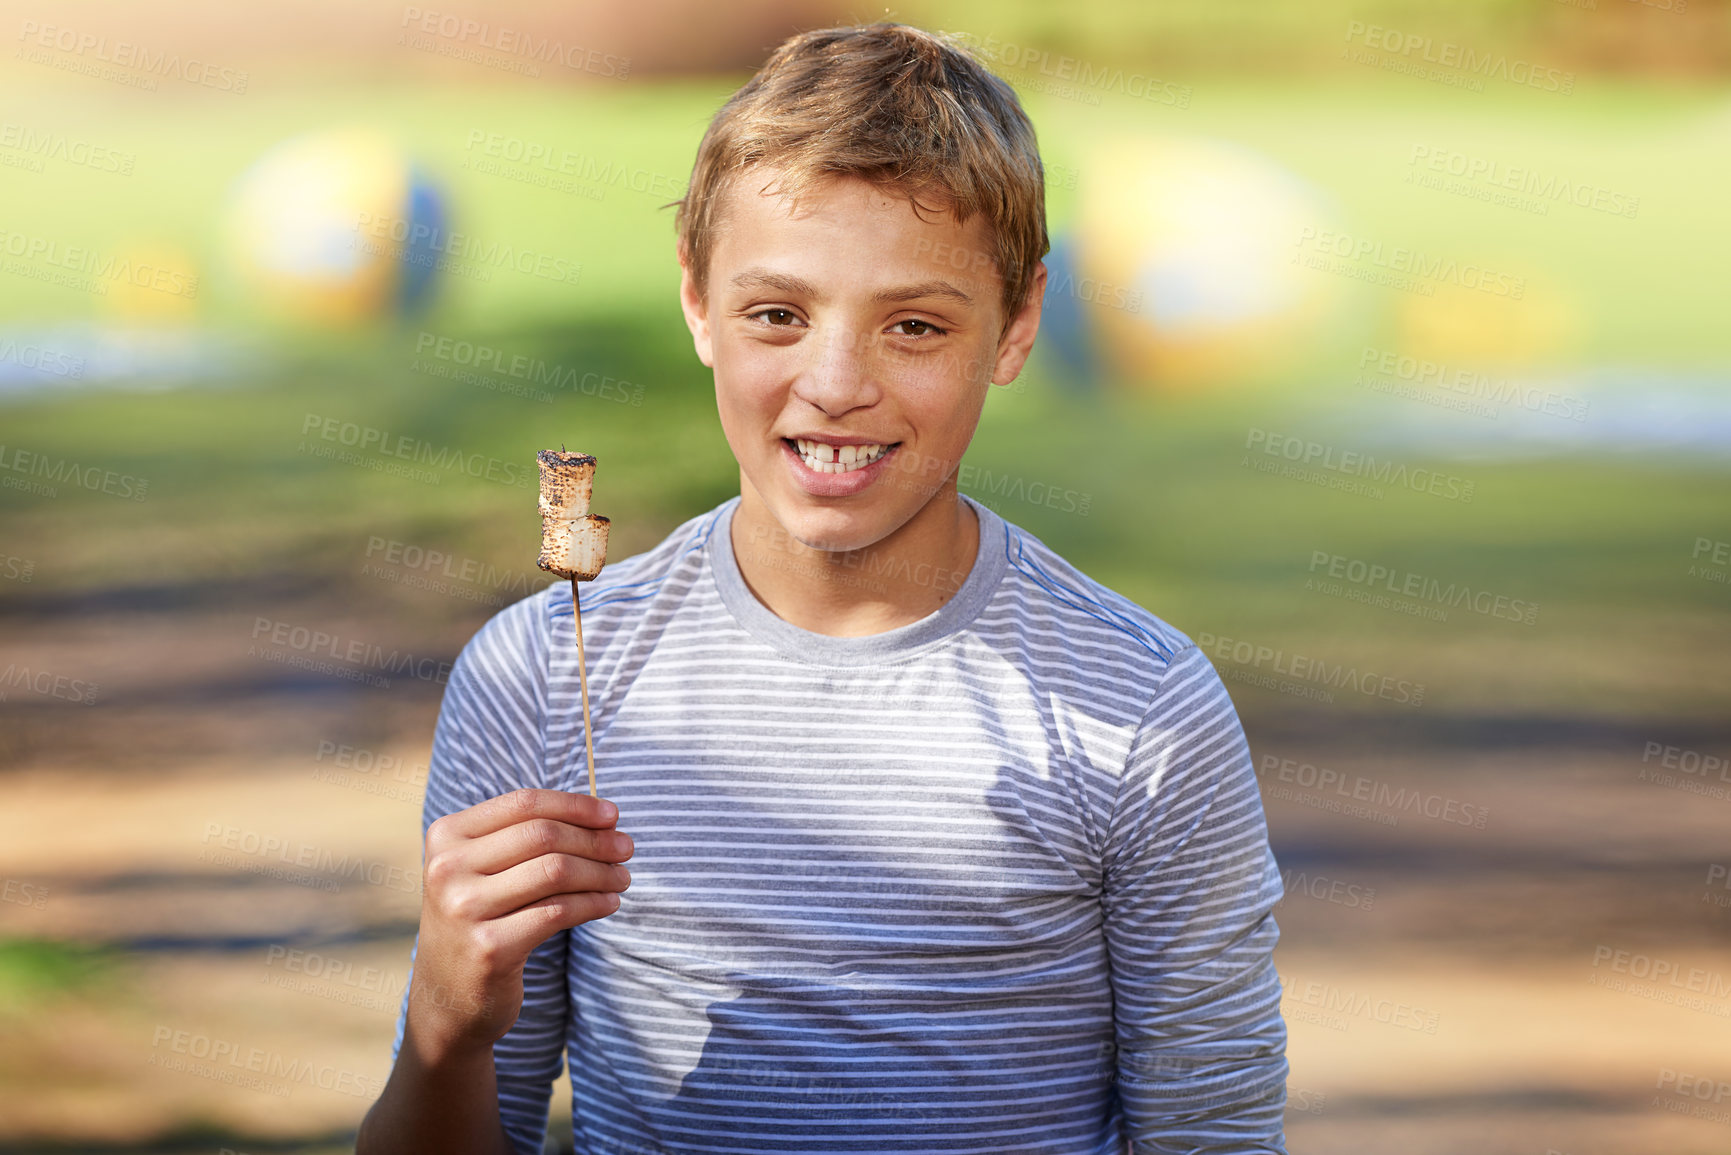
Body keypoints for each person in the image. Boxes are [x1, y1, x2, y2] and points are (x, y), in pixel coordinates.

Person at [358, 21, 1288, 1155]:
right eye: (778, 315)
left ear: (1020, 323)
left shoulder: (1142, 707)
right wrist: (446, 1030)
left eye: (913, 325)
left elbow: (1214, 1133)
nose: (836, 385)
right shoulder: (546, 674)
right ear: (698, 304)